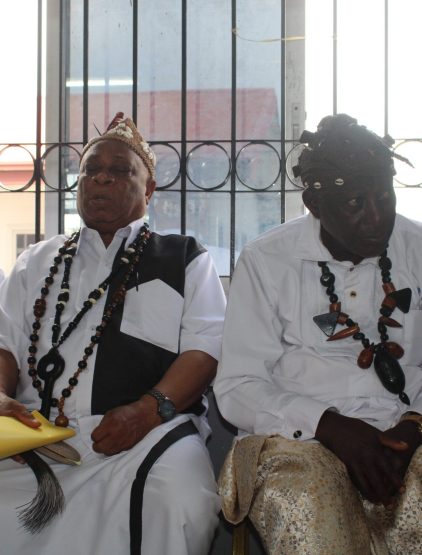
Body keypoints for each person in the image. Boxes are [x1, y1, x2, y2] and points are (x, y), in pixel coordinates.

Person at [0, 112, 226, 555]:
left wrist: (146, 412)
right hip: (38, 434)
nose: (101, 178)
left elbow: (205, 350)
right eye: (91, 169)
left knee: (181, 502)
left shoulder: (184, 258)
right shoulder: (36, 262)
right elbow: (3, 343)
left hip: (148, 434)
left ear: (149, 189)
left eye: (120, 170)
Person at [214, 114, 422, 555]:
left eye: (384, 197)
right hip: (297, 440)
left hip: (408, 429)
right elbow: (238, 387)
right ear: (314, 203)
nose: (376, 217)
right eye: (355, 203)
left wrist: (414, 424)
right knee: (308, 506)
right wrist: (329, 426)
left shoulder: (417, 247)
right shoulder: (266, 260)